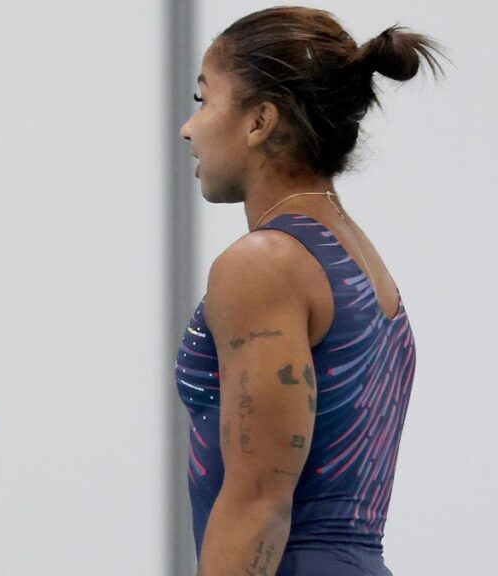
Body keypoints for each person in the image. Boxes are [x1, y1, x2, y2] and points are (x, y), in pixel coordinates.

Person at [176, 7, 441, 576]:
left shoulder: (264, 263)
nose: (188, 128)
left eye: (204, 100)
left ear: (259, 121)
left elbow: (258, 506)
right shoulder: (361, 261)